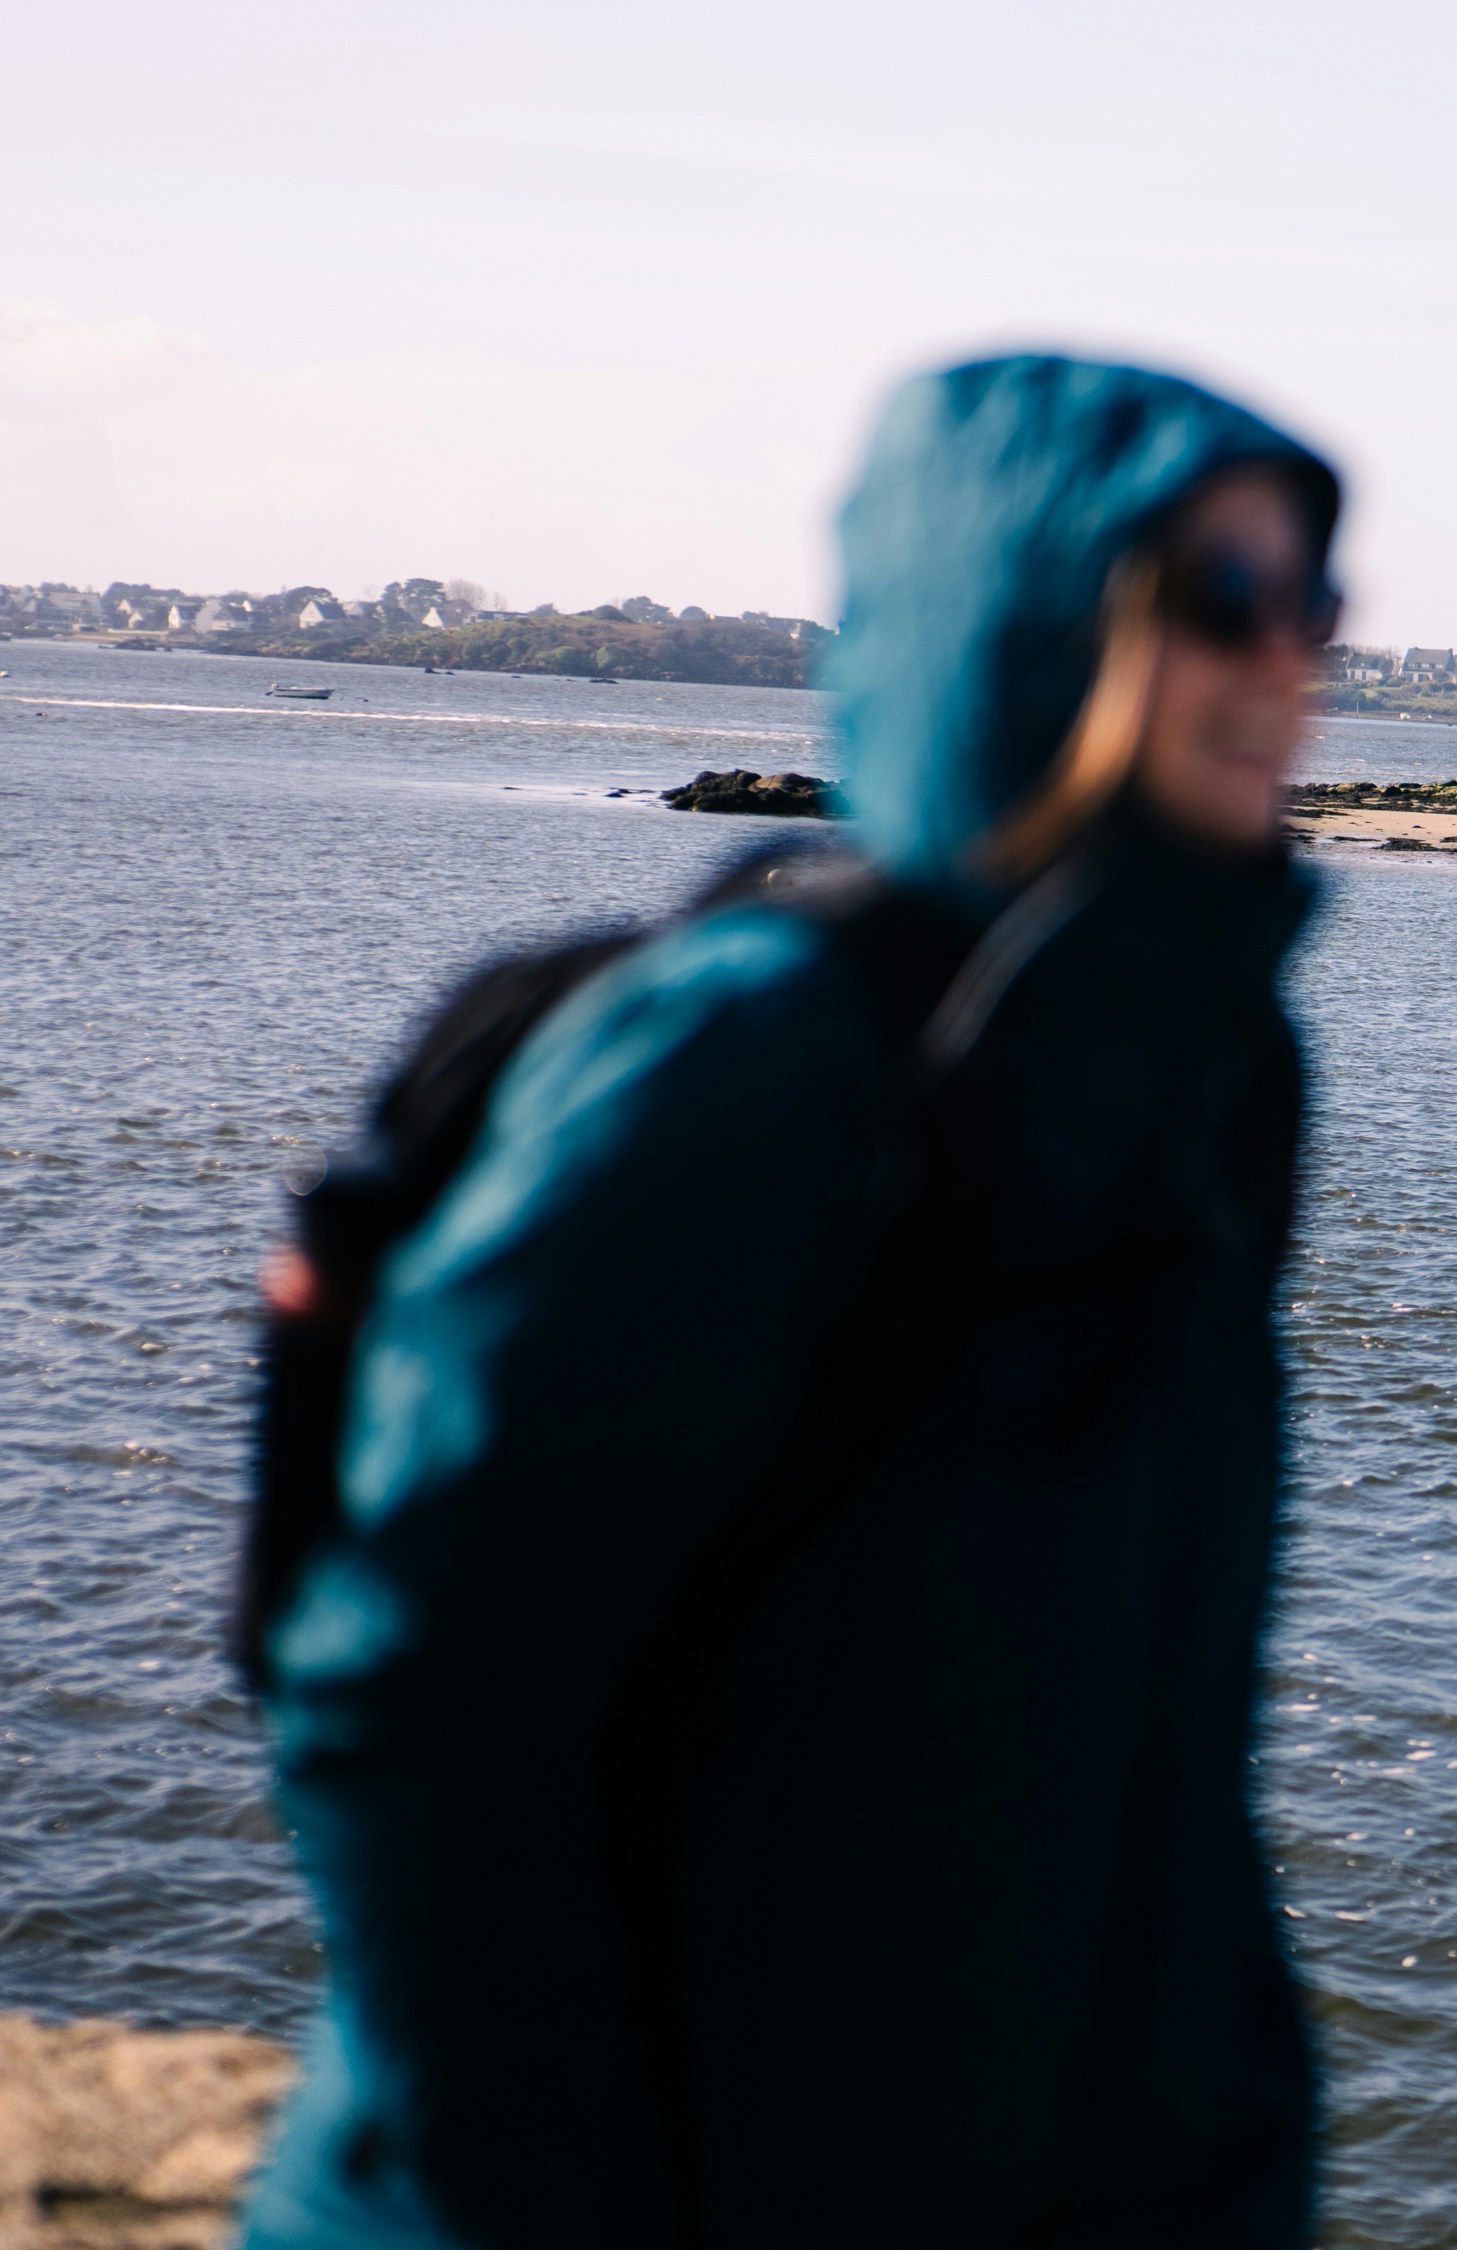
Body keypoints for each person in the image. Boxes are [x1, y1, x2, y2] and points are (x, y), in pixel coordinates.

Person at [245, 357, 1343, 2249]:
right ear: (1035, 626)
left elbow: (1169, 1746)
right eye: (1222, 600)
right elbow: (409, 1697)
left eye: (1315, 600)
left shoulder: (1207, 1078)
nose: (1290, 663)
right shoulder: (752, 1058)